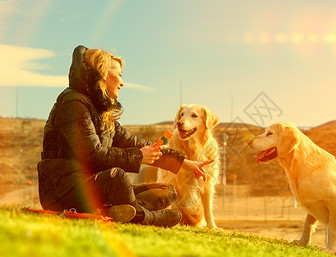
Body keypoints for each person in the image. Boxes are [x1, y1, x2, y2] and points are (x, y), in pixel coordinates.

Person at [37, 45, 212, 227]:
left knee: (166, 190)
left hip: (95, 186)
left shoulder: (102, 112)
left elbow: (135, 143)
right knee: (118, 177)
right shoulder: (73, 102)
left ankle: (114, 211)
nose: (122, 82)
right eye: (119, 74)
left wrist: (184, 163)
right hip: (63, 190)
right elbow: (92, 154)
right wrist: (139, 156)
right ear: (102, 75)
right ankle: (144, 217)